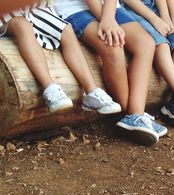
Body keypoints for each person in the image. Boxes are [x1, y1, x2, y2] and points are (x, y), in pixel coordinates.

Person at [54, 0, 167, 146]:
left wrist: (108, 16)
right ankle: (132, 115)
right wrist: (107, 19)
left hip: (110, 6)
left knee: (146, 44)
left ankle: (136, 115)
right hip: (73, 8)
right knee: (113, 46)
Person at [0, 0, 121, 114]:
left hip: (35, 8)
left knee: (66, 30)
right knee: (22, 25)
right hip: (6, 12)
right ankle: (49, 88)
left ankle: (91, 91)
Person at [121, 0, 174, 126]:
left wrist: (165, 16)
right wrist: (154, 19)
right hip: (131, 10)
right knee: (161, 43)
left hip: (154, 8)